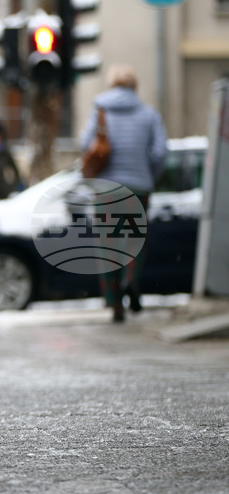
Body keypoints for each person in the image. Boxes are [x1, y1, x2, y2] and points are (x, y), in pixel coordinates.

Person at [80, 65, 167, 322]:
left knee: (108, 247)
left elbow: (86, 145)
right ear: (134, 87)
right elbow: (161, 152)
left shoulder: (100, 112)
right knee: (133, 242)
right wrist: (148, 175)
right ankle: (131, 279)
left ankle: (115, 304)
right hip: (138, 189)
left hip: (105, 190)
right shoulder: (149, 115)